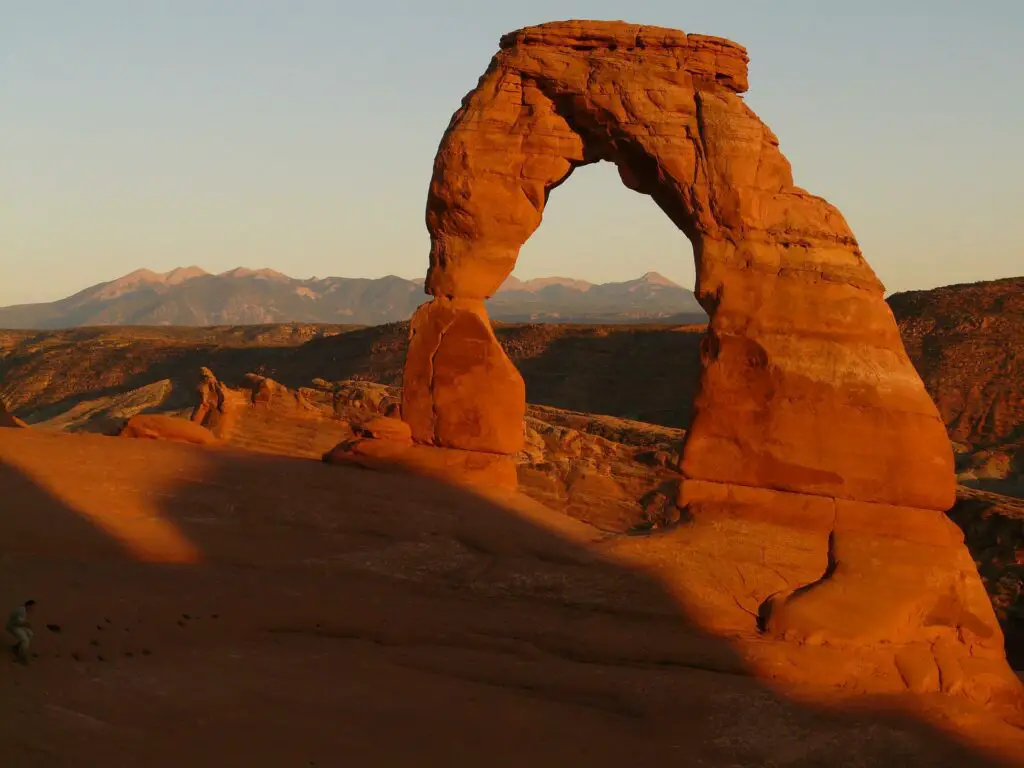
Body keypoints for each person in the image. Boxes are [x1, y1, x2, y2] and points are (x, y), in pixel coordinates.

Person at [7, 599, 36, 665]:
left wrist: (26, 625)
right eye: (32, 607)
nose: (32, 609)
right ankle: (21, 656)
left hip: (18, 625)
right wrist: (27, 624)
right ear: (28, 606)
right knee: (25, 640)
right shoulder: (21, 611)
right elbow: (19, 621)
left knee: (30, 634)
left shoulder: (24, 610)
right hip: (13, 626)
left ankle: (17, 647)